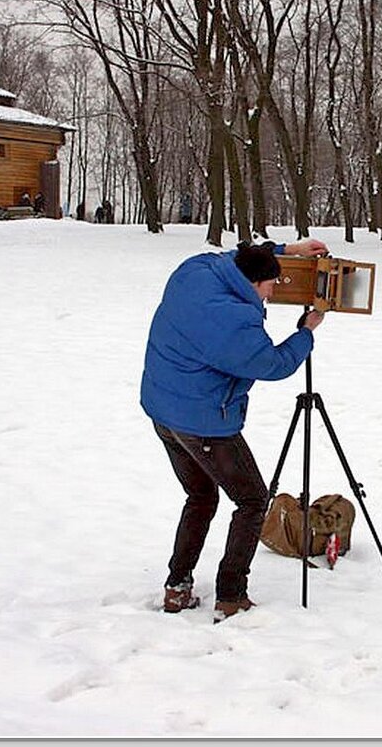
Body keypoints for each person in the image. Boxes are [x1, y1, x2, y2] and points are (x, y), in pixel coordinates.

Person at [141, 237, 328, 621]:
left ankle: (177, 588)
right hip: (203, 423)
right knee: (252, 501)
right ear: (254, 283)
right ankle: (231, 595)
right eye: (271, 284)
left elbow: (234, 256)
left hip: (163, 410)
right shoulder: (236, 321)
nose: (274, 291)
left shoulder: (196, 270)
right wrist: (306, 332)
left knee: (202, 496)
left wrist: (286, 251)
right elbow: (272, 364)